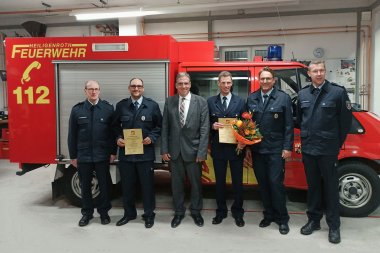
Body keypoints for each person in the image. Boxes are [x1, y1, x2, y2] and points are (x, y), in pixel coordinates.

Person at [297, 61, 352, 244]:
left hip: (328, 149)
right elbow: (300, 119)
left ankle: (334, 226)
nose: (319, 73)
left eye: (321, 70)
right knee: (313, 187)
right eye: (315, 71)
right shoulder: (303, 93)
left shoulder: (337, 93)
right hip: (309, 149)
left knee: (330, 188)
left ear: (325, 72)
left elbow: (345, 123)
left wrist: (336, 144)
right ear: (309, 73)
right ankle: (314, 221)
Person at [246, 67, 293, 235]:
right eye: (263, 79)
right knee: (263, 184)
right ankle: (268, 215)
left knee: (275, 184)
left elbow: (288, 126)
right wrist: (248, 148)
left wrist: (287, 147)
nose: (265, 81)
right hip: (258, 150)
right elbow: (248, 126)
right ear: (259, 80)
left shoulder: (283, 98)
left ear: (274, 80)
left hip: (275, 150)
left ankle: (282, 218)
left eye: (268, 79)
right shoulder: (252, 98)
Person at [112, 78, 162, 229]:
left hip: (145, 155)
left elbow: (159, 126)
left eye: (139, 86)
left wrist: (151, 137)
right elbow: (114, 126)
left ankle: (148, 215)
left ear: (143, 88)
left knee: (147, 186)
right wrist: (118, 138)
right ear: (129, 88)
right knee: (127, 186)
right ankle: (129, 214)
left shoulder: (152, 105)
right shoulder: (121, 106)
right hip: (126, 155)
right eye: (133, 86)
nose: (136, 88)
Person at [161, 72, 210, 228]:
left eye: (186, 83)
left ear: (190, 84)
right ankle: (179, 212)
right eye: (180, 83)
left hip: (194, 152)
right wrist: (164, 150)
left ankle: (196, 211)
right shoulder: (170, 101)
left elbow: (204, 129)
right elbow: (165, 127)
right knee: (176, 185)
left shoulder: (201, 102)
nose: (183, 86)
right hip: (175, 152)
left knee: (196, 184)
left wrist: (202, 152)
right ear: (176, 85)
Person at [68, 80, 116, 227]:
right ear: (85, 91)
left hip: (102, 155)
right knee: (85, 186)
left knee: (104, 185)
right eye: (90, 89)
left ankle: (104, 213)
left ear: (99, 91)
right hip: (84, 156)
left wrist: (113, 152)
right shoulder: (77, 110)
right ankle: (87, 214)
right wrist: (73, 156)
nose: (93, 92)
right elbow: (72, 135)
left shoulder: (108, 109)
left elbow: (113, 133)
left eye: (96, 89)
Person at [207, 71, 246, 227]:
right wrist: (212, 125)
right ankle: (221, 211)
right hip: (218, 148)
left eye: (228, 82)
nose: (226, 85)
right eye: (223, 82)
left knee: (238, 182)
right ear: (218, 83)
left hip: (236, 148)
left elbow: (246, 125)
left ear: (232, 83)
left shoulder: (241, 101)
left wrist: (242, 141)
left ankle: (238, 212)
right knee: (220, 183)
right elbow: (205, 124)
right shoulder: (210, 102)